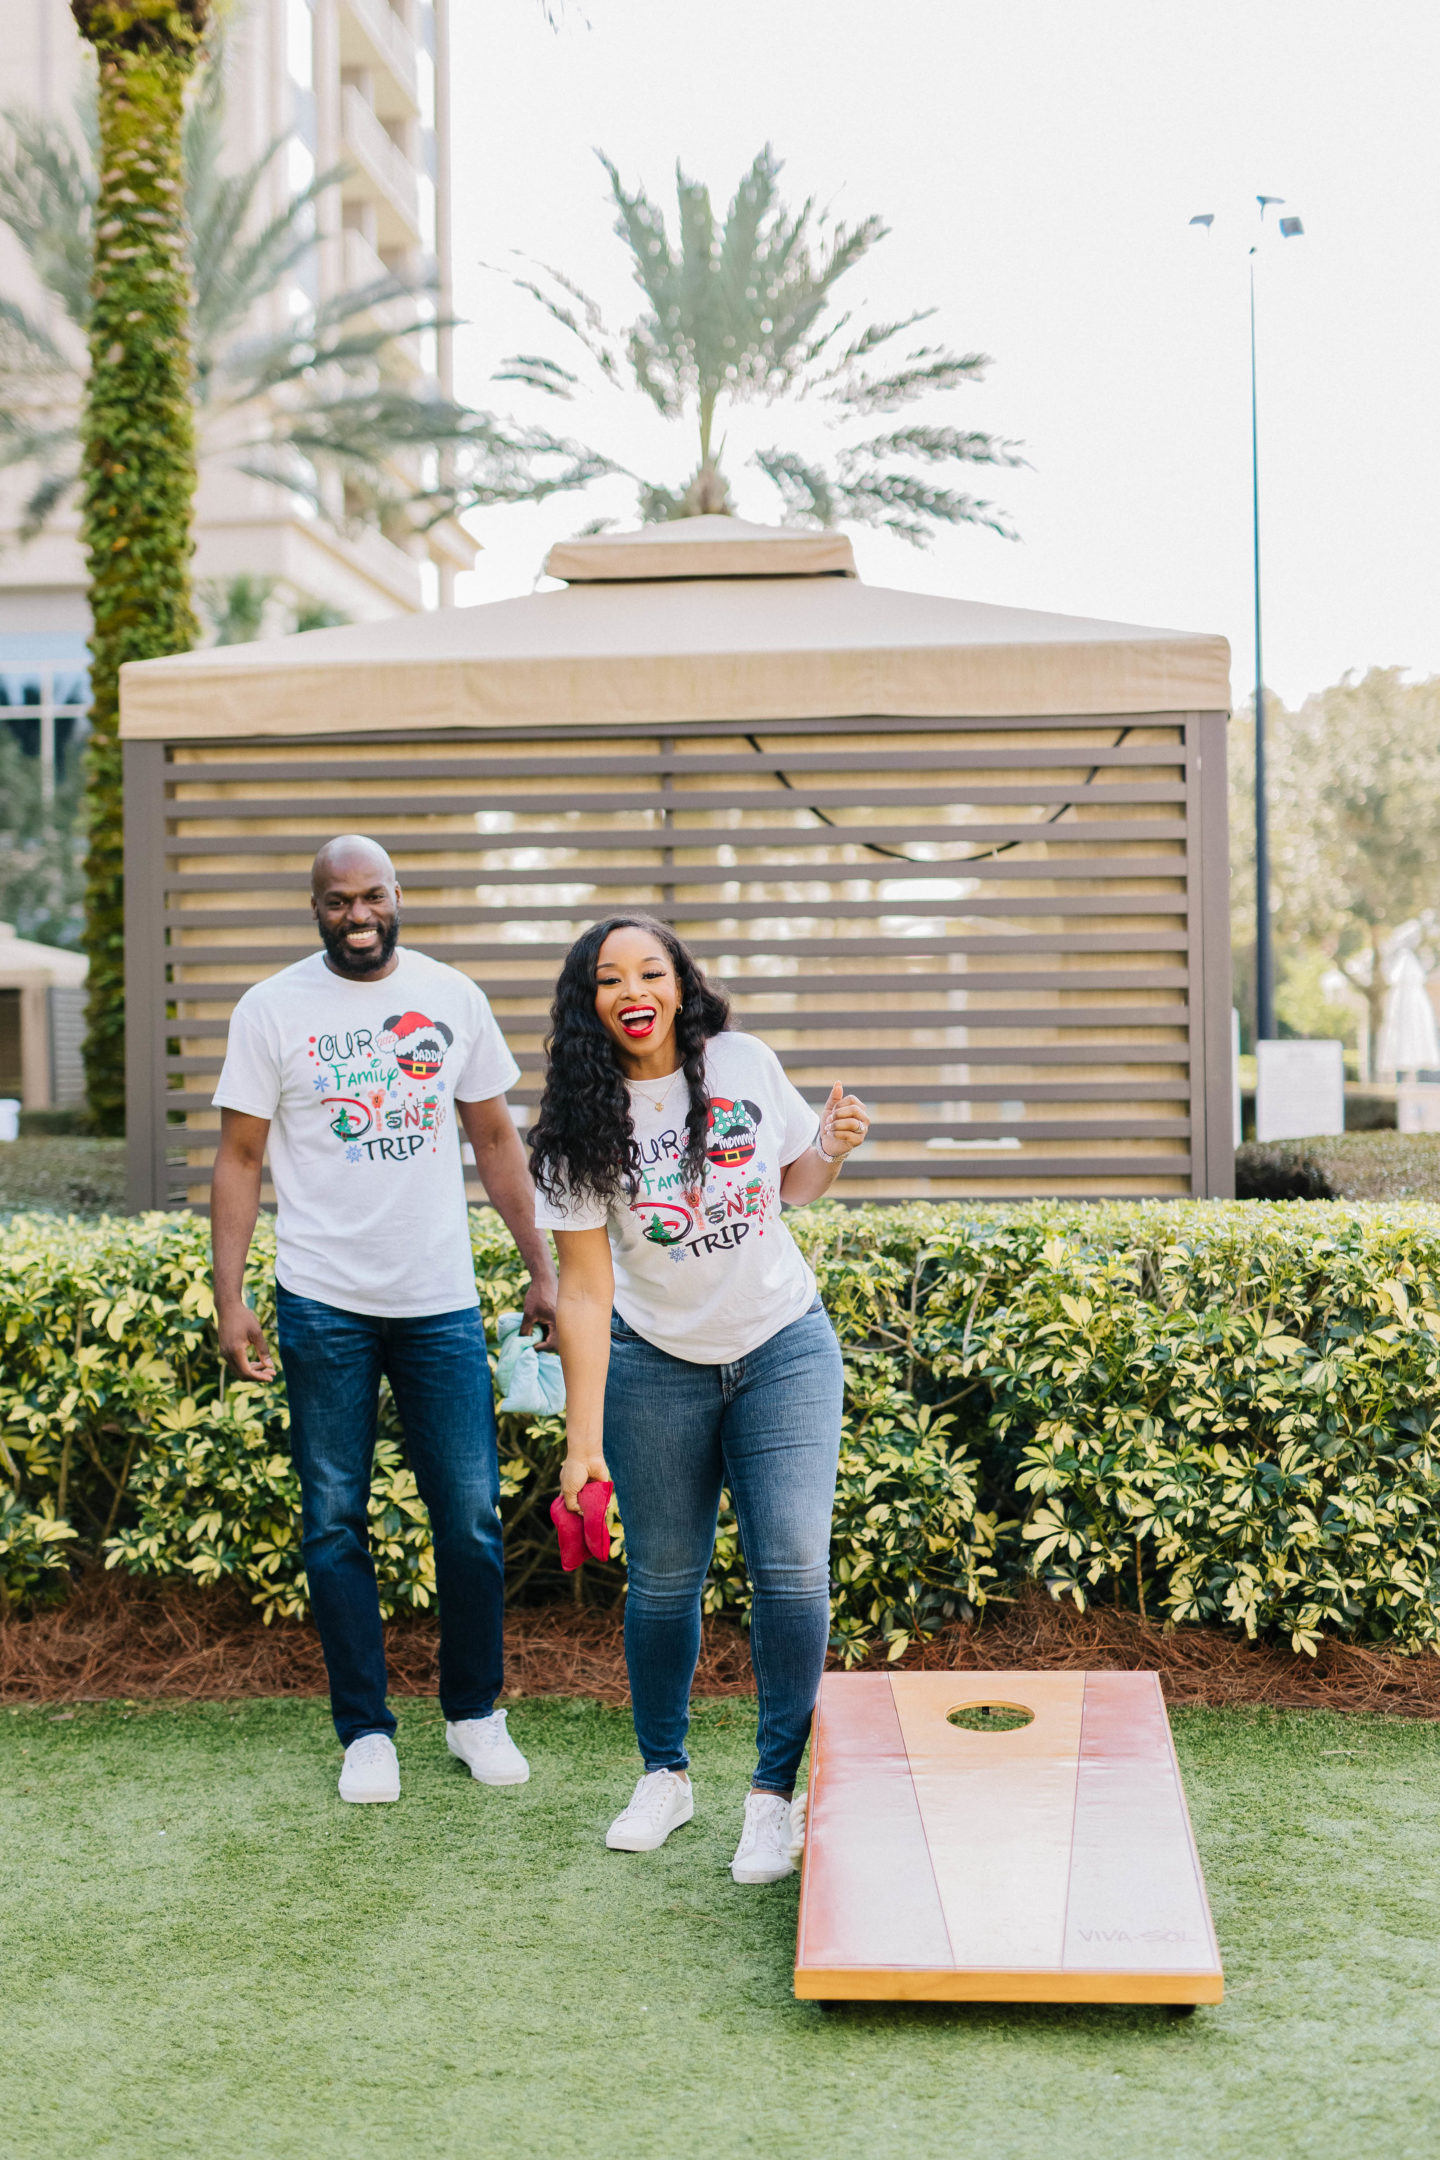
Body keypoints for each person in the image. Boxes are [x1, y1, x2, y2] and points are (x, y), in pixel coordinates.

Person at [210, 834, 557, 1805]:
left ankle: (474, 1714)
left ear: (398, 896)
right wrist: (229, 1298)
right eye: (336, 902)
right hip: (323, 1301)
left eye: (371, 898)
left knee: (473, 1520)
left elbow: (494, 1136)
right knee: (333, 1522)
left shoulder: (453, 998)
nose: (356, 917)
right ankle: (366, 1731)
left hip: (437, 1300)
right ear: (314, 907)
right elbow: (239, 1158)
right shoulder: (271, 1010)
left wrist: (541, 1270)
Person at [529, 915, 869, 1885]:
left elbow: (795, 1185)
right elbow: (586, 1294)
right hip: (656, 1366)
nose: (632, 990)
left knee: (794, 1570)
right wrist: (580, 1443)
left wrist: (835, 1147)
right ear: (588, 1002)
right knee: (667, 1583)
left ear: (679, 984)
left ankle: (772, 1798)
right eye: (608, 978)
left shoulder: (744, 1065)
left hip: (784, 1349)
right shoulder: (575, 1129)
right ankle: (665, 1776)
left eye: (650, 970)